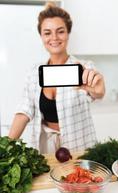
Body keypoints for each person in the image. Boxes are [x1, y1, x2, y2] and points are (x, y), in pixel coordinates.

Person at [8, 3, 105, 153]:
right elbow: (24, 110)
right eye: (47, 33)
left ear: (68, 33)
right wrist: (7, 147)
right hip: (46, 145)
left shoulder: (84, 67)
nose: (54, 38)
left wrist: (98, 90)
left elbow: (97, 93)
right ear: (41, 36)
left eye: (60, 31)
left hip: (79, 145)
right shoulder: (34, 72)